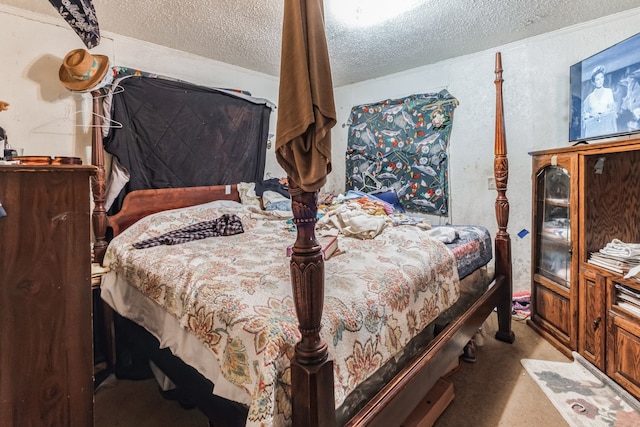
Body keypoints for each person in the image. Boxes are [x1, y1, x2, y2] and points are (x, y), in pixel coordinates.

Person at [582, 65, 617, 138]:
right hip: (594, 131)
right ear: (594, 82)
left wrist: (604, 114)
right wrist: (592, 114)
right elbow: (584, 115)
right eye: (597, 79)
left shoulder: (608, 92)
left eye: (602, 77)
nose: (600, 81)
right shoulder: (589, 97)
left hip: (607, 128)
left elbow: (612, 109)